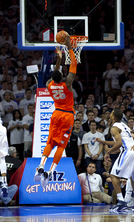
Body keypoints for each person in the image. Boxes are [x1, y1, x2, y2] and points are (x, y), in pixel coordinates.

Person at [34, 35, 77, 187]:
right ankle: (51, 171)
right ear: (62, 76)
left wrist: (58, 59)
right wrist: (69, 48)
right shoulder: (68, 84)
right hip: (67, 116)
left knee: (50, 142)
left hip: (56, 113)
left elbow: (55, 74)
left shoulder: (48, 85)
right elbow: (74, 64)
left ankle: (40, 165)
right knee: (61, 146)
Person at [94, 109, 134, 212]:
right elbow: (119, 141)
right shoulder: (123, 125)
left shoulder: (114, 128)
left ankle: (121, 202)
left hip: (128, 151)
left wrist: (108, 152)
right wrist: (103, 142)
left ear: (112, 117)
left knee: (113, 175)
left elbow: (119, 144)